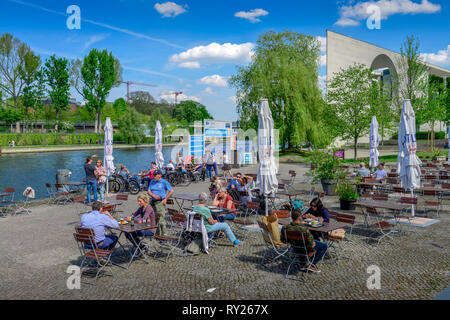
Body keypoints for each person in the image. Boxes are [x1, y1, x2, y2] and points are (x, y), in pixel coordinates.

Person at [281, 209, 327, 273]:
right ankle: (310, 264)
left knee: (314, 241)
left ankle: (303, 264)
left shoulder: (285, 228)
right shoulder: (304, 229)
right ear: (300, 217)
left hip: (294, 248)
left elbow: (283, 241)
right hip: (304, 248)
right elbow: (311, 243)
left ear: (292, 217)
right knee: (324, 246)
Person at [147, 170, 174, 236]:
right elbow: (148, 191)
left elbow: (171, 191)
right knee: (154, 219)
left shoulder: (164, 182)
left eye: (155, 175)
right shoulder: (152, 181)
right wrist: (154, 196)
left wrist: (166, 199)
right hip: (152, 202)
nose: (153, 177)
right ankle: (157, 234)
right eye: (153, 175)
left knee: (161, 220)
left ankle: (164, 235)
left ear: (159, 175)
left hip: (160, 202)